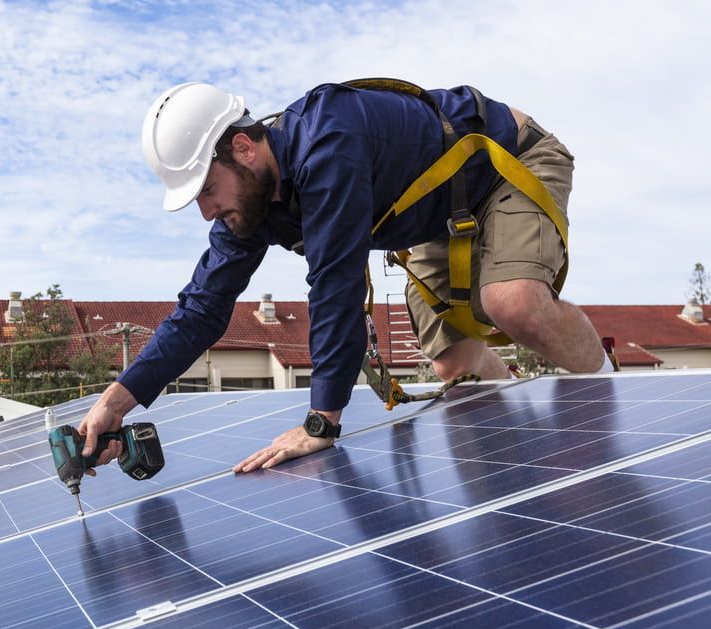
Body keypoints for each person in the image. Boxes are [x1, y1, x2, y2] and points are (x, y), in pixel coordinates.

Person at [78, 80, 610, 475]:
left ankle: (618, 412)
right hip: (437, 217)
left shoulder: (328, 142)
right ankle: (520, 478)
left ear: (243, 149)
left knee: (511, 302)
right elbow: (201, 310)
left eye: (207, 190)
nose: (206, 212)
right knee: (455, 363)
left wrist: (322, 421)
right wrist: (114, 402)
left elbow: (335, 286)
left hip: (505, 164)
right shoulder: (249, 203)